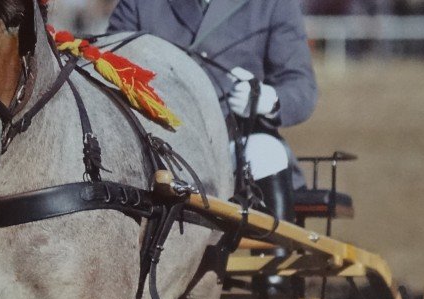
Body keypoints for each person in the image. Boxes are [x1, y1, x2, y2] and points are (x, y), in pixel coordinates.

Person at [107, 0, 317, 224]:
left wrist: (267, 99)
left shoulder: (272, 4)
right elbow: (109, 62)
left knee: (267, 153)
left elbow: (301, 86)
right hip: (158, 142)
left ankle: (276, 251)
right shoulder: (139, 3)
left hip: (235, 141)